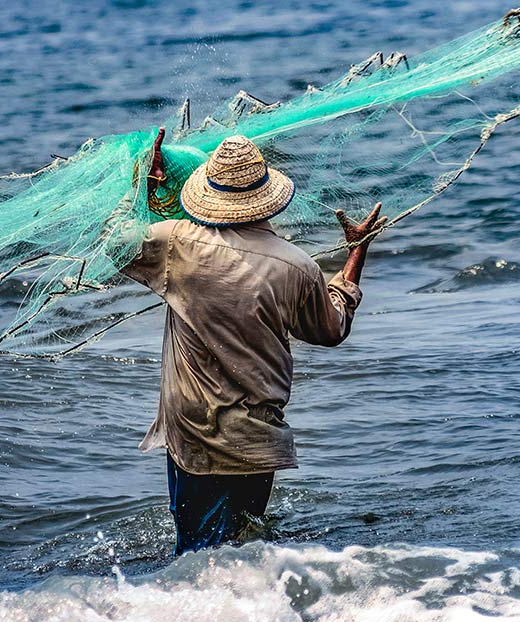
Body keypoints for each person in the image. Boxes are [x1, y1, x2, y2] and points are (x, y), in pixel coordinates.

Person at [122, 127, 386, 555]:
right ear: (267, 195)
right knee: (245, 547)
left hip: (197, 433)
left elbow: (113, 240)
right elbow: (332, 328)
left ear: (209, 193)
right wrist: (356, 251)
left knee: (196, 556)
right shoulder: (297, 266)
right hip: (259, 436)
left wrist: (142, 184)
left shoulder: (174, 244)